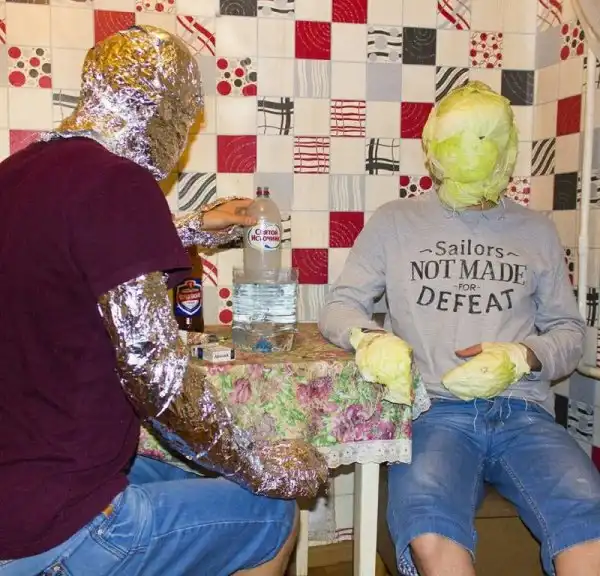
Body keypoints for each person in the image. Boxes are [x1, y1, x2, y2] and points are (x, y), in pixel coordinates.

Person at [0, 26, 326, 576]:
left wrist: (194, 225)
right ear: (159, 109)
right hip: (58, 522)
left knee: (186, 476)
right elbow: (156, 375)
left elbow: (70, 249)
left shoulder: (15, 177)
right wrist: (261, 469)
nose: (182, 136)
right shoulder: (118, 183)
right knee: (271, 512)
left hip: (20, 491)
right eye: (185, 116)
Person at [319, 82, 600, 576]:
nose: (478, 152)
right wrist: (370, 339)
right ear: (433, 150)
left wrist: (522, 357)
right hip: (434, 412)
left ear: (507, 151)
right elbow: (340, 305)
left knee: (588, 522)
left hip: (523, 412)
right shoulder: (394, 221)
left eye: (489, 139)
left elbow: (569, 331)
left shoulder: (536, 230)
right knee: (429, 531)